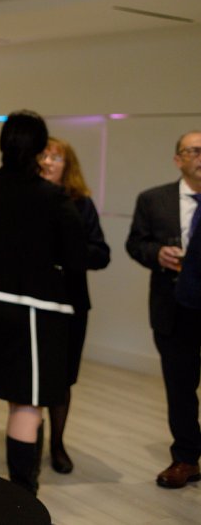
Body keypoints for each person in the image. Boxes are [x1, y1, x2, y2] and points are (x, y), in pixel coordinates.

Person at [0, 110, 85, 495]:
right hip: (36, 309)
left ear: (2, 144)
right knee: (27, 402)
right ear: (41, 150)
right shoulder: (54, 198)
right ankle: (22, 499)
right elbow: (76, 258)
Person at [126, 130, 201, 489]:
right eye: (195, 150)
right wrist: (157, 253)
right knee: (180, 386)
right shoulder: (153, 200)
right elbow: (135, 244)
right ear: (178, 159)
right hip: (174, 305)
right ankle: (186, 457)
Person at [39, 136, 110, 474]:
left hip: (71, 303)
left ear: (68, 166)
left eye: (56, 157)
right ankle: (28, 442)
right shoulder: (25, 199)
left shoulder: (81, 204)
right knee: (30, 377)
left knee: (62, 379)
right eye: (43, 156)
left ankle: (57, 444)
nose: (48, 162)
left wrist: (67, 251)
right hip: (32, 302)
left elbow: (101, 254)